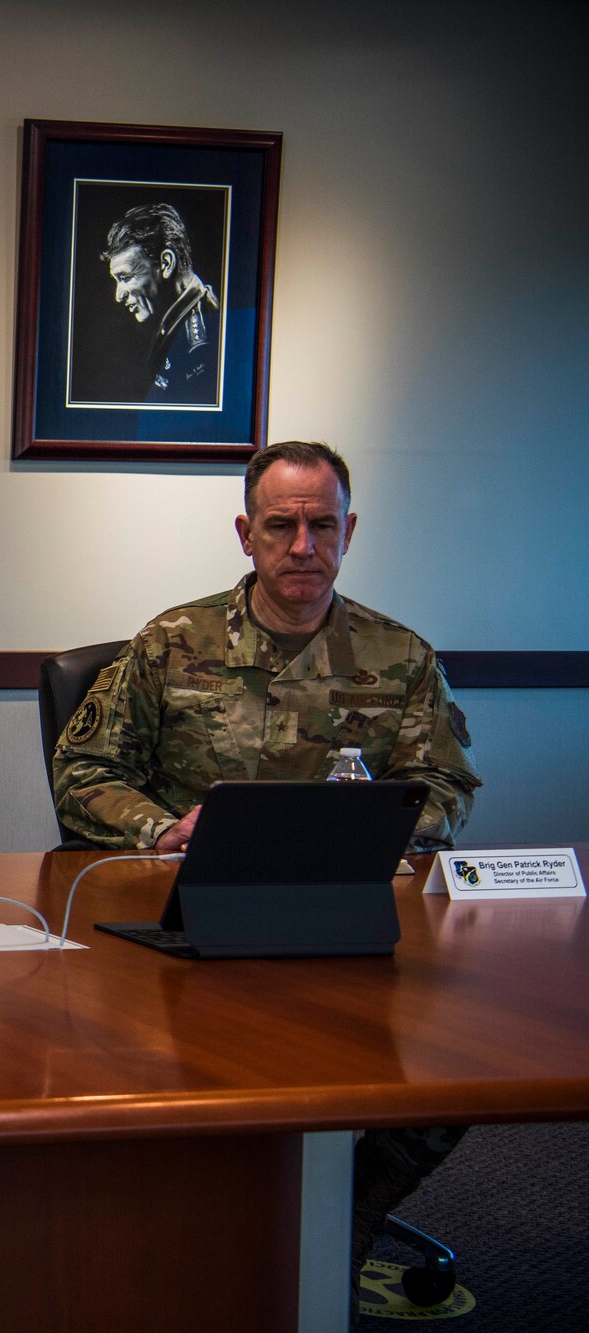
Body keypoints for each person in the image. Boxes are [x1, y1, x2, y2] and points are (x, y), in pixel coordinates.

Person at [51, 438, 480, 1279]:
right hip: (190, 930)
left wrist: (386, 831)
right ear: (245, 533)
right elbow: (84, 770)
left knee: (463, 1059)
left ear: (350, 529)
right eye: (281, 525)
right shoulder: (173, 643)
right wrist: (162, 828)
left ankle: (351, 1207)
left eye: (322, 524)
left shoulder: (401, 657)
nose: (303, 547)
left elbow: (443, 782)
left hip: (348, 920)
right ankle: (202, 1230)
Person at [102, 202, 221, 404]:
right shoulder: (176, 321)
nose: (118, 295)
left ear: (166, 263)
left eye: (125, 277)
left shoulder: (199, 344)